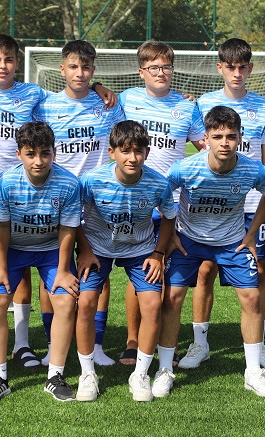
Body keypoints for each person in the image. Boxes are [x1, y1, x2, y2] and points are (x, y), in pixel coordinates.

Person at [0, 35, 118, 370]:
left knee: (75, 268)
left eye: (9, 60)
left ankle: (33, 344)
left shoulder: (36, 95)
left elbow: (79, 89)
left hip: (61, 194)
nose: (3, 66)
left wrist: (98, 87)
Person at [152, 105, 265, 399]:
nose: (225, 143)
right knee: (171, 298)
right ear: (206, 138)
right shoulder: (185, 168)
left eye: (231, 136)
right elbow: (160, 194)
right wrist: (170, 235)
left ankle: (252, 372)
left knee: (252, 297)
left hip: (232, 241)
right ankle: (165, 369)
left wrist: (251, 233)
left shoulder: (252, 170)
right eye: (218, 136)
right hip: (188, 240)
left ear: (240, 138)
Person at [190, 38, 265, 372]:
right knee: (205, 269)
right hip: (215, 203)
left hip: (253, 202)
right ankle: (199, 343)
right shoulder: (202, 104)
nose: (237, 73)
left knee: (258, 270)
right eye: (230, 67)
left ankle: (260, 346)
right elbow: (200, 151)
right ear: (220, 68)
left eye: (243, 67)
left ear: (250, 68)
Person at [32, 40, 126, 367]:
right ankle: (51, 343)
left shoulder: (108, 105)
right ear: (62, 70)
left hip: (98, 202)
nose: (80, 73)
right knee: (50, 272)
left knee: (97, 270)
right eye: (73, 67)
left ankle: (96, 344)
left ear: (93, 70)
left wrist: (101, 88)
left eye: (86, 68)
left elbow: (120, 143)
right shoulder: (45, 107)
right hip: (55, 199)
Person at [0, 121, 81, 403]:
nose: (38, 161)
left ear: (54, 153)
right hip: (13, 249)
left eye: (45, 153)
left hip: (51, 250)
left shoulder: (69, 183)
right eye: (30, 154)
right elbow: (0, 226)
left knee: (65, 300)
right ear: (18, 154)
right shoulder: (6, 182)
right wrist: (0, 267)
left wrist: (63, 270)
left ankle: (55, 376)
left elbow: (68, 229)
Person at [117, 40, 206, 365]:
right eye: (154, 67)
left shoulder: (187, 107)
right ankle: (132, 340)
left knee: (168, 273)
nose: (161, 72)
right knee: (138, 273)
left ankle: (166, 341)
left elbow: (204, 146)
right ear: (141, 71)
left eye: (166, 66)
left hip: (174, 206)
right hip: (136, 203)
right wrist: (98, 86)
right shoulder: (126, 100)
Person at [74, 121, 177, 402]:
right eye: (125, 151)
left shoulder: (158, 183)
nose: (133, 158)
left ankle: (140, 374)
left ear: (147, 152)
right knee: (86, 302)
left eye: (139, 151)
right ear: (112, 152)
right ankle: (87, 374)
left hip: (140, 249)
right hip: (97, 248)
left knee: (152, 305)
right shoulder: (92, 180)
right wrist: (84, 249)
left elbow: (169, 217)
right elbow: (72, 216)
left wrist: (158, 254)